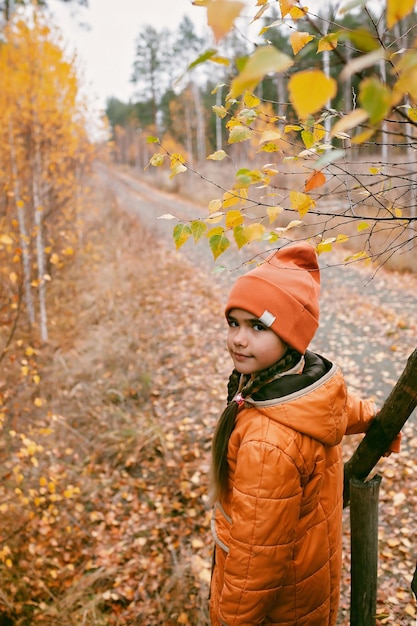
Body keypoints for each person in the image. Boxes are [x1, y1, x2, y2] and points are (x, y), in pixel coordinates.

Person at [209, 240, 379, 626]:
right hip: (306, 595)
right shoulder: (306, 390)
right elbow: (339, 410)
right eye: (233, 323)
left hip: (277, 611)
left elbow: (255, 562)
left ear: (291, 337)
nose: (238, 338)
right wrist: (372, 416)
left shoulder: (267, 444)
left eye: (257, 326)